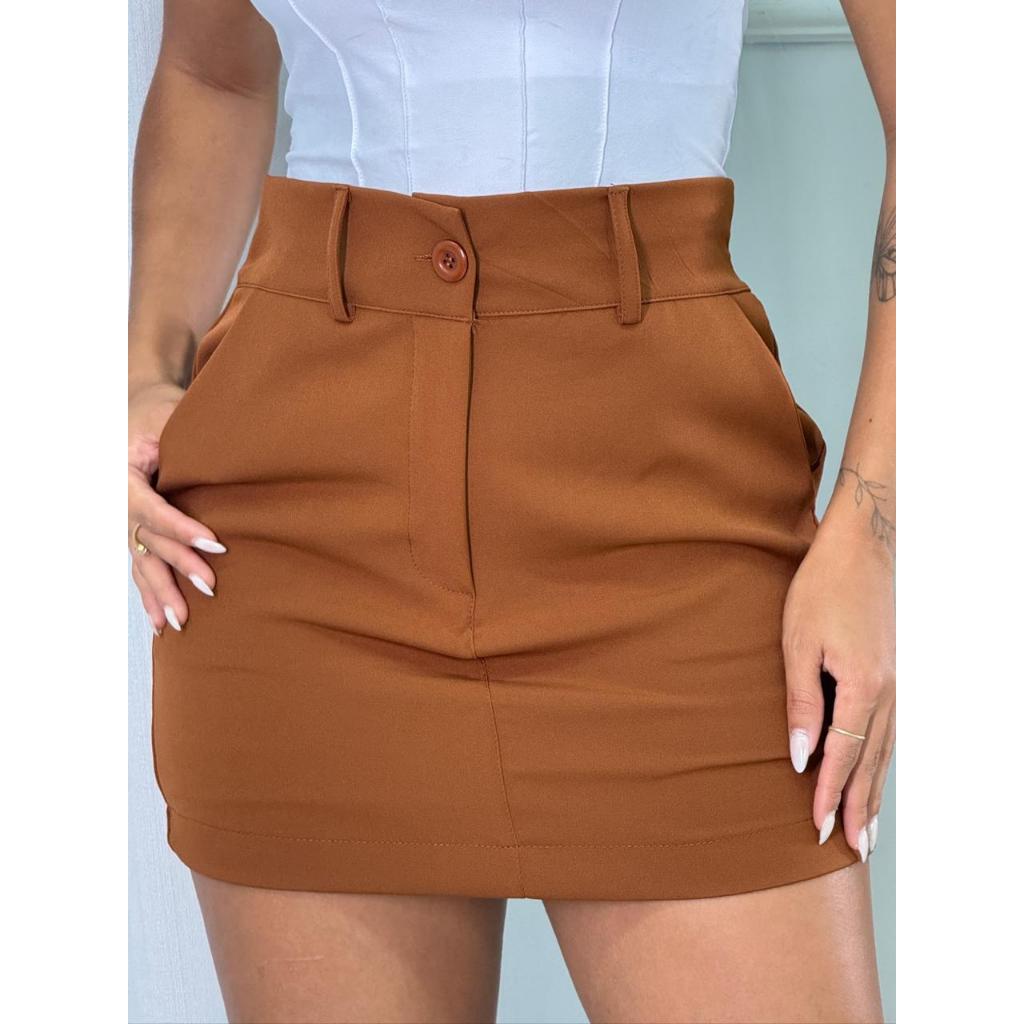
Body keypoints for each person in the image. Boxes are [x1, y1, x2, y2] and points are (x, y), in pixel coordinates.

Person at [128, 1, 895, 1020]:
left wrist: (877, 531)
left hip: (670, 501)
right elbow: (212, 72)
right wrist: (143, 371)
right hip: (293, 518)